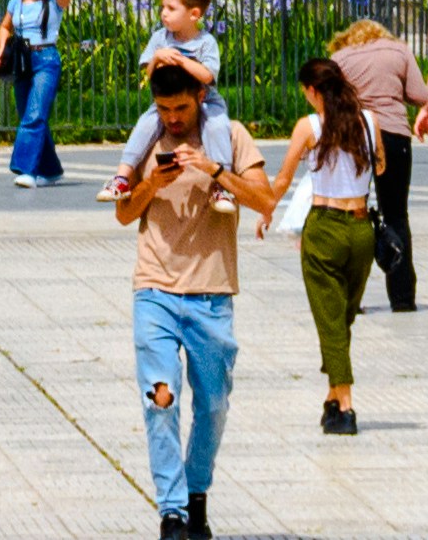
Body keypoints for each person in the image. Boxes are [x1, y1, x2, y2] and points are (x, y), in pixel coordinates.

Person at [113, 50, 280, 540]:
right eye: (164, 111)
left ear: (200, 97)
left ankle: (196, 493)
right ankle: (172, 513)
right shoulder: (147, 140)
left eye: (180, 110)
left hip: (211, 293)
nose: (173, 120)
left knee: (212, 406)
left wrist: (214, 171)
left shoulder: (229, 137)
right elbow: (124, 214)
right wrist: (149, 184)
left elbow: (266, 200)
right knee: (160, 400)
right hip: (155, 289)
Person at [275, 28, 382, 435]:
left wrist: (265, 210)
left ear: (312, 90)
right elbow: (383, 167)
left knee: (332, 321)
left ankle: (348, 406)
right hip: (362, 232)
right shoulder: (369, 121)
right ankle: (332, 399)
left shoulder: (309, 127)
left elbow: (283, 180)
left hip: (323, 228)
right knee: (342, 317)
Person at [316, 16, 420, 310]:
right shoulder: (399, 51)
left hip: (353, 135)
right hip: (394, 135)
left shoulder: (340, 57)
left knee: (351, 211)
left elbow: (329, 101)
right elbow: (419, 94)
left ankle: (352, 296)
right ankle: (402, 298)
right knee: (397, 214)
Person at [0, 0, 71, 188]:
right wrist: (1, 50)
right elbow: (4, 26)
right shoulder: (16, 1)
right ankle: (50, 170)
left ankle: (27, 170)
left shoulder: (53, 1)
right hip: (22, 60)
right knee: (28, 114)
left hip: (46, 59)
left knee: (35, 113)